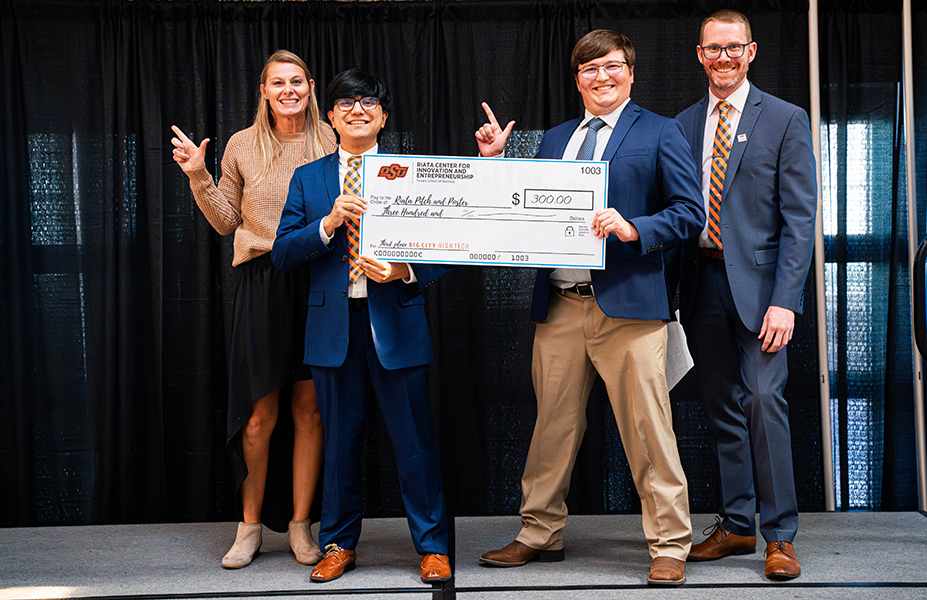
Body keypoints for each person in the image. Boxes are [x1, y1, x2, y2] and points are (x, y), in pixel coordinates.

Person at [474, 30, 705, 586]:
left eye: (611, 66)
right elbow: (521, 209)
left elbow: (689, 212)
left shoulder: (659, 131)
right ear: (576, 78)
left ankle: (670, 542)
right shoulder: (554, 138)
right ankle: (539, 532)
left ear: (630, 71)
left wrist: (634, 227)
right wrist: (496, 163)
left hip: (629, 309)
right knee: (551, 425)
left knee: (649, 430)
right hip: (558, 305)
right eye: (588, 69)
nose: (601, 77)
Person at [271, 68, 452, 585]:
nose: (357, 109)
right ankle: (338, 543)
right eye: (346, 102)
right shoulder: (310, 178)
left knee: (414, 442)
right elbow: (283, 254)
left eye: (369, 102)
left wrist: (406, 269)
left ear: (383, 116)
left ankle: (433, 546)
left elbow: (448, 248)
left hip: (396, 322)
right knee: (340, 444)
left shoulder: (411, 171)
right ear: (329, 116)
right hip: (334, 329)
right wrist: (327, 224)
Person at [170, 50, 336, 569]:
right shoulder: (243, 145)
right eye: (277, 83)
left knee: (310, 411)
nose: (289, 90)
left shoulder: (331, 139)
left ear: (310, 86)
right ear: (264, 91)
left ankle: (300, 526)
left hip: (320, 275)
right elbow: (224, 222)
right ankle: (249, 528)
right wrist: (198, 175)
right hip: (263, 280)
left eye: (297, 81)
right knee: (259, 417)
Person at [674, 9, 817, 581]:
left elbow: (800, 219)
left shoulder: (785, 119)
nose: (724, 58)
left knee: (763, 402)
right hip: (700, 284)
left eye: (734, 48)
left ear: (751, 52)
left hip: (763, 292)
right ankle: (737, 525)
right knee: (720, 408)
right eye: (713, 49)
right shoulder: (683, 124)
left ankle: (779, 536)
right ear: (700, 54)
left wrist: (786, 299)